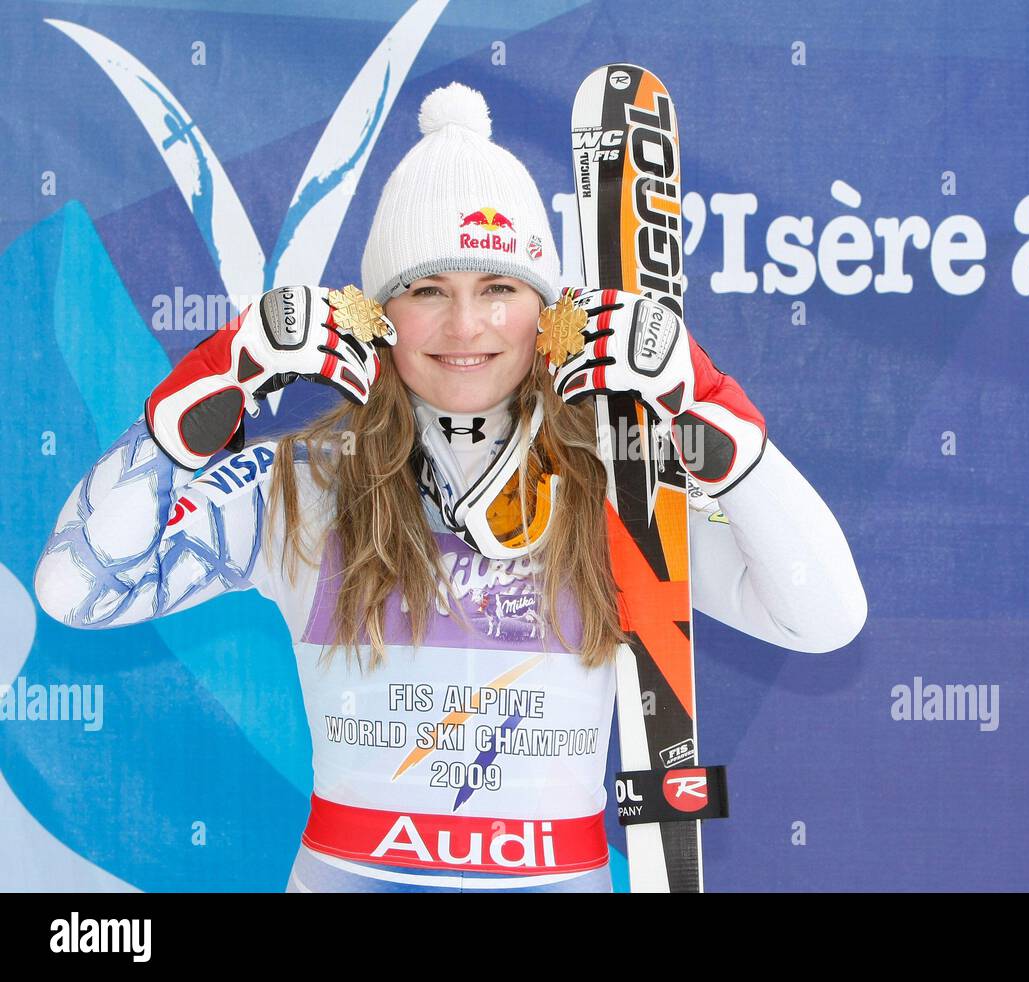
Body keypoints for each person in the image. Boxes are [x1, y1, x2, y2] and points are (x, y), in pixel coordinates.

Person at [32, 82, 867, 893]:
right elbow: (75, 592)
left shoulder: (616, 485)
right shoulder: (307, 483)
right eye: (428, 290)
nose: (465, 326)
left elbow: (824, 618)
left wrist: (717, 419)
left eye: (499, 288)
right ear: (379, 315)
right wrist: (187, 414)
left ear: (549, 311)